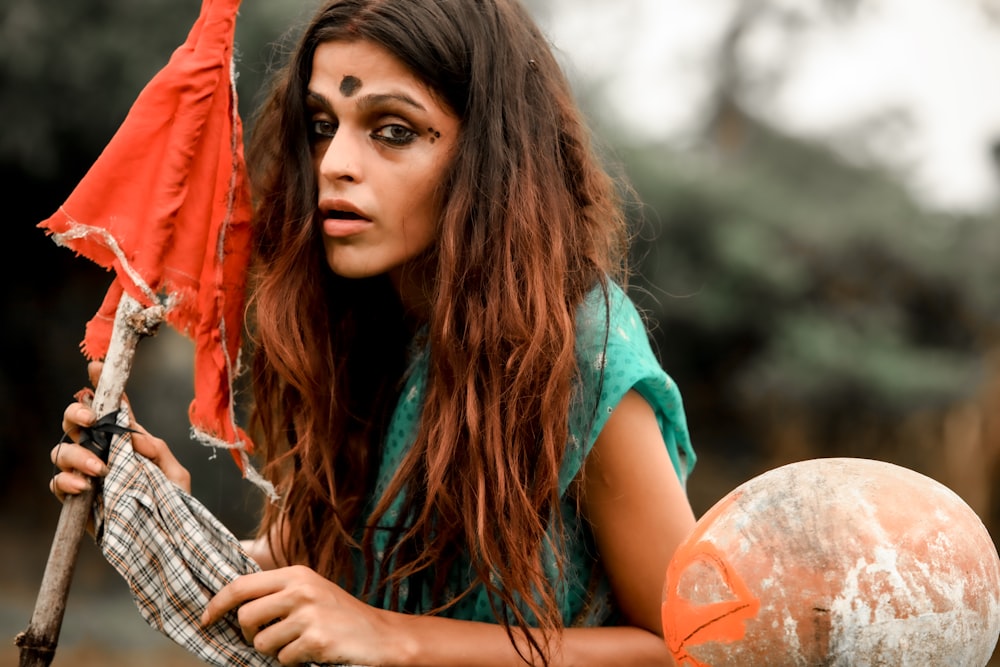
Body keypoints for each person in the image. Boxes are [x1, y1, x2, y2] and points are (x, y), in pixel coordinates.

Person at [50, 0, 698, 664]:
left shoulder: (578, 348)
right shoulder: (353, 325)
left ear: (490, 156)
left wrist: (393, 636)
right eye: (323, 125)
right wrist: (162, 517)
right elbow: (334, 580)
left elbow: (693, 645)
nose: (334, 162)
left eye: (391, 130)